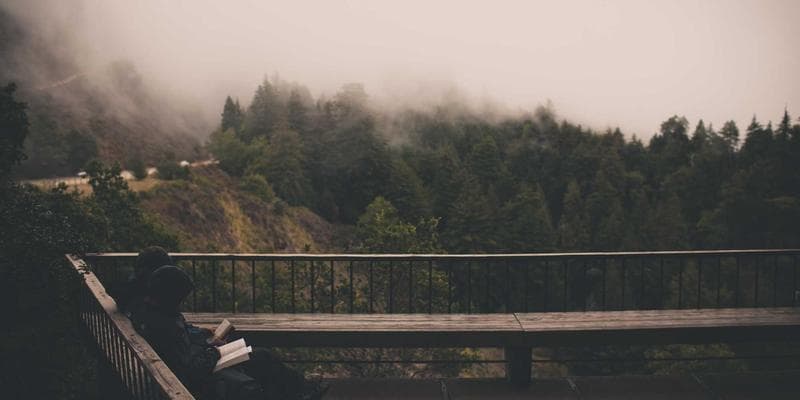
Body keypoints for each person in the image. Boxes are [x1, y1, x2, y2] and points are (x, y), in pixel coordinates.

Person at [132, 265, 326, 400]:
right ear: (170, 295)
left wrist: (204, 338)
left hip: (195, 364)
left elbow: (182, 346)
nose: (181, 303)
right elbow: (191, 370)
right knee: (259, 359)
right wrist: (215, 351)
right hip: (196, 378)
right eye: (180, 299)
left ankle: (300, 390)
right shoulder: (164, 325)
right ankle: (300, 391)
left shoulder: (155, 313)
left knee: (255, 354)